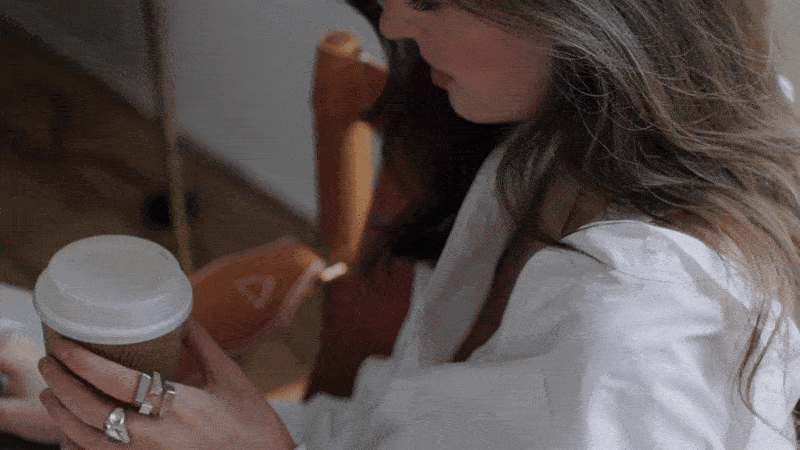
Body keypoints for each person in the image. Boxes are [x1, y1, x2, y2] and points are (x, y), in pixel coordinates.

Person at [4, 0, 800, 447]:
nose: (397, 22)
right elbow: (409, 424)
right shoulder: (566, 142)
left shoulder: (633, 348)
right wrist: (122, 418)